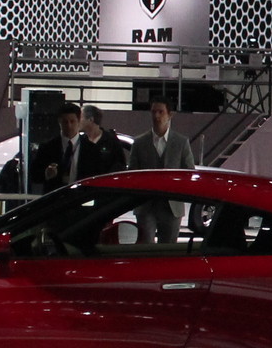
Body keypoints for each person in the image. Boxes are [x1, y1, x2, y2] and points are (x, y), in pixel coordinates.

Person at [126, 100, 193, 243]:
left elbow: (189, 172)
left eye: (161, 112)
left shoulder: (181, 142)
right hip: (146, 204)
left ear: (170, 115)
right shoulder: (139, 143)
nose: (156, 116)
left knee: (168, 249)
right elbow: (132, 173)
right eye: (153, 112)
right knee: (145, 247)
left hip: (172, 205)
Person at [31, 107, 84, 192]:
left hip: (81, 196)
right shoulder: (47, 147)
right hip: (55, 198)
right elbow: (34, 176)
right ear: (59, 122)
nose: (69, 126)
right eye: (65, 122)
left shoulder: (90, 149)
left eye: (72, 121)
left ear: (79, 122)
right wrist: (46, 174)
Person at [78, 107, 129, 180]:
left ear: (91, 119)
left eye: (80, 117)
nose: (77, 121)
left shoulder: (111, 141)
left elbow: (120, 166)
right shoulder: (80, 141)